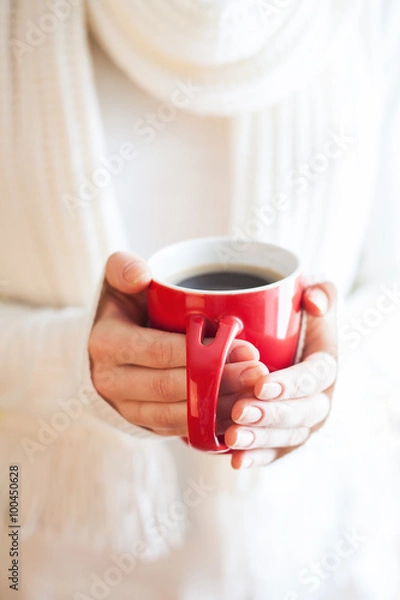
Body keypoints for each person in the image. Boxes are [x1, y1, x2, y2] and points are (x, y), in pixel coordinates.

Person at [0, 1, 399, 599]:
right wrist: (78, 365)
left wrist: (325, 379)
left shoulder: (373, 17)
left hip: (321, 556)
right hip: (62, 565)